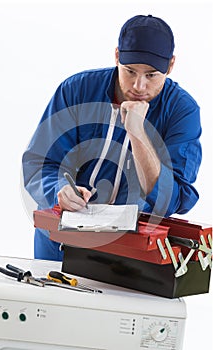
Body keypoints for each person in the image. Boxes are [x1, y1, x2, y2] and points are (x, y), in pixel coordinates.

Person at [22, 14, 202, 261]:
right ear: (117, 56)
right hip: (61, 242)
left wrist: (137, 132)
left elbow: (174, 199)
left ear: (170, 66)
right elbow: (39, 162)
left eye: (151, 75)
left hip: (129, 251)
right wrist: (59, 190)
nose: (139, 86)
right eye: (130, 71)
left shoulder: (182, 111)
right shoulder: (76, 90)